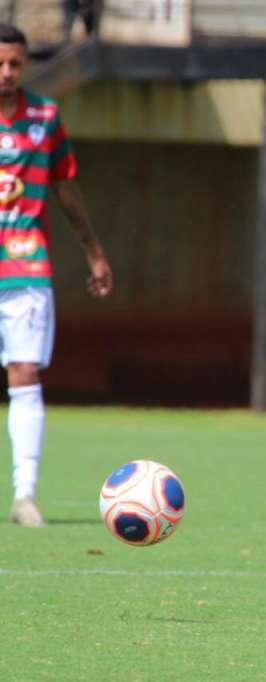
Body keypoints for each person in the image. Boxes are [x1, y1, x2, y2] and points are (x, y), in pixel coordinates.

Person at [0, 25, 113, 528]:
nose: (7, 73)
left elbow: (64, 189)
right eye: (0, 62)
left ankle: (25, 495)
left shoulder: (45, 118)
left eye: (15, 64)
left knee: (25, 373)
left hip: (24, 267)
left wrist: (93, 252)